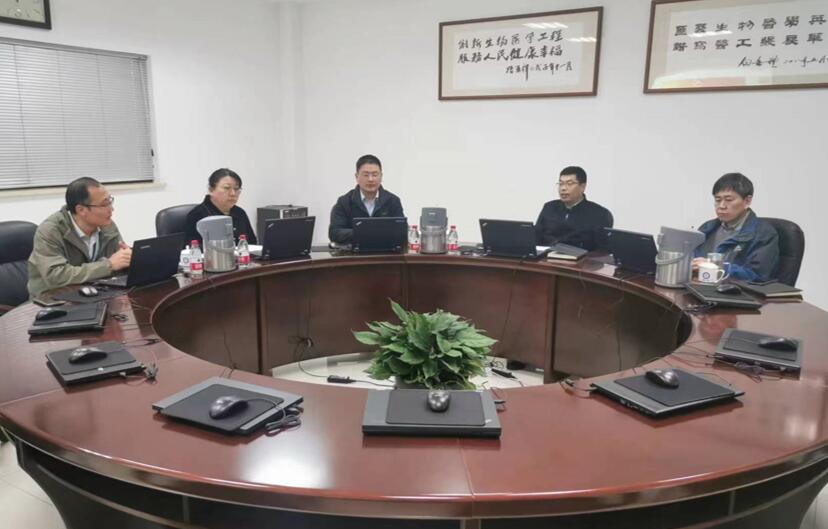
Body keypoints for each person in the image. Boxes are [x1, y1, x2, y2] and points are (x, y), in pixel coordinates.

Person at [28, 177, 131, 298]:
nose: (111, 209)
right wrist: (108, 265)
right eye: (104, 204)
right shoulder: (50, 231)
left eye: (110, 201)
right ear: (81, 210)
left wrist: (130, 258)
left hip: (97, 293)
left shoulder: (107, 225)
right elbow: (56, 276)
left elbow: (118, 261)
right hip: (53, 299)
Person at [693, 173, 779, 282]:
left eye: (729, 200)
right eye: (718, 200)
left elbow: (757, 275)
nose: (722, 206)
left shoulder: (763, 234)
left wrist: (715, 267)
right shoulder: (707, 228)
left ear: (747, 201)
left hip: (736, 290)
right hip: (701, 286)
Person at [328, 154, 404, 244]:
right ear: (357, 176)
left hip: (385, 250)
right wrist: (365, 232)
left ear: (381, 176)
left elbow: (402, 231)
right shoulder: (344, 202)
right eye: (366, 175)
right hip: (354, 251)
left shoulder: (392, 201)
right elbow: (334, 233)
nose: (370, 179)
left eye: (375, 175)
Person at [534, 166, 613, 250]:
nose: (563, 188)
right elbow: (536, 237)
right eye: (561, 184)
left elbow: (602, 251)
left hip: (581, 257)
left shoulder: (599, 214)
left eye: (569, 184)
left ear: (582, 187)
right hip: (547, 257)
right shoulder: (549, 208)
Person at [184, 168, 257, 246]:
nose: (233, 193)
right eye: (227, 188)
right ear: (211, 190)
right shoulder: (197, 215)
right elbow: (193, 249)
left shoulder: (240, 213)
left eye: (236, 189)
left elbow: (252, 243)